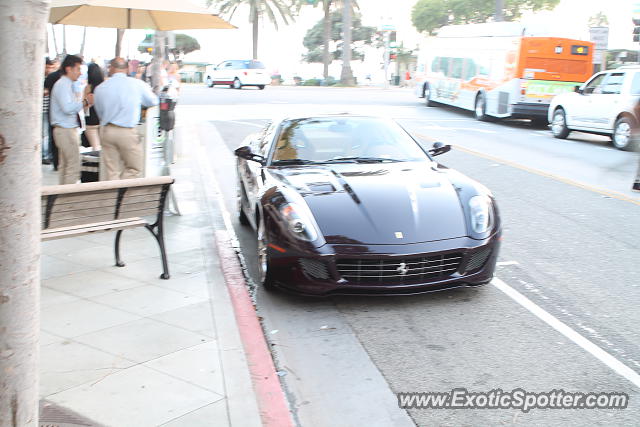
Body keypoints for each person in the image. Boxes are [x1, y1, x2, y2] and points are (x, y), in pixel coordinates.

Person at [93, 57, 158, 180]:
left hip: (107, 130)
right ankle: (123, 195)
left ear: (111, 69)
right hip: (127, 131)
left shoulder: (100, 88)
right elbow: (153, 101)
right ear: (127, 69)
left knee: (111, 171)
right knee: (134, 168)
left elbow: (99, 112)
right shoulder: (137, 84)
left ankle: (112, 195)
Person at [49, 54, 89, 184]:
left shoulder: (66, 84)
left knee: (66, 166)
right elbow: (67, 108)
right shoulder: (63, 85)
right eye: (78, 69)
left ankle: (62, 197)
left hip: (65, 129)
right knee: (73, 166)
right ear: (68, 69)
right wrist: (85, 102)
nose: (80, 73)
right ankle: (67, 199)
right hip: (65, 129)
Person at [44, 58, 62, 170]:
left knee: (51, 136)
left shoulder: (51, 77)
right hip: (57, 112)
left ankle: (55, 162)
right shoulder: (63, 80)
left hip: (51, 110)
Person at [83, 63, 104, 150]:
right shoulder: (104, 86)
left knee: (95, 147)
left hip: (91, 119)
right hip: (102, 118)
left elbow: (84, 105)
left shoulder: (88, 87)